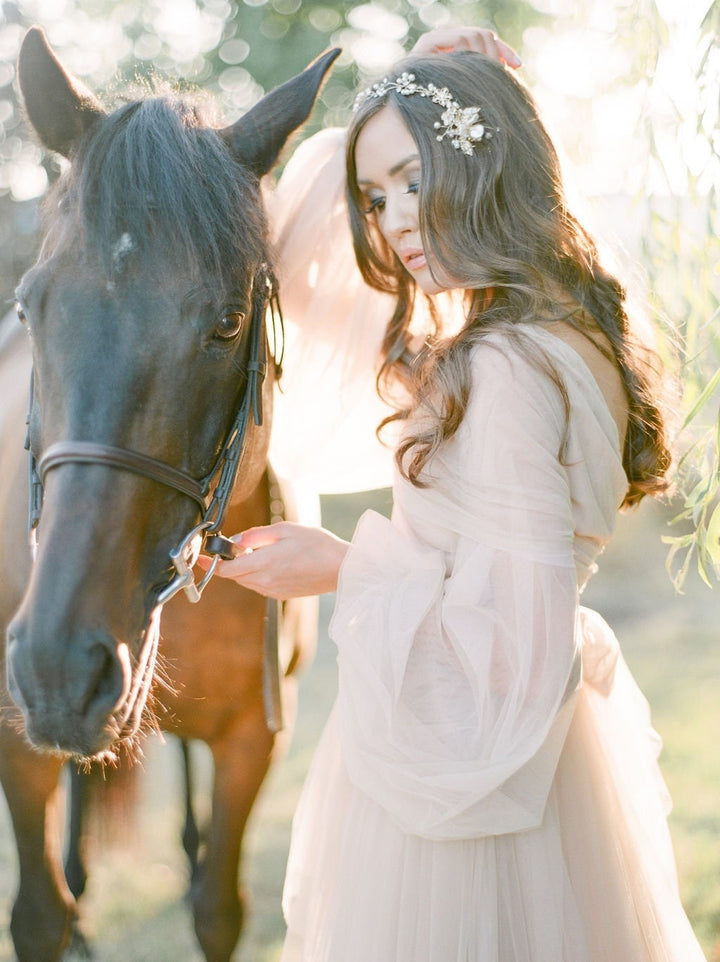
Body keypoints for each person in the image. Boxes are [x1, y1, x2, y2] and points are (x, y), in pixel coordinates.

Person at [200, 28, 706, 962]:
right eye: (375, 195)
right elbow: (302, 260)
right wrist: (412, 85)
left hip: (481, 790)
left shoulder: (505, 363)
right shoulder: (556, 332)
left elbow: (511, 650)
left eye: (413, 180)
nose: (390, 221)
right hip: (550, 764)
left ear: (486, 162)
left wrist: (345, 568)